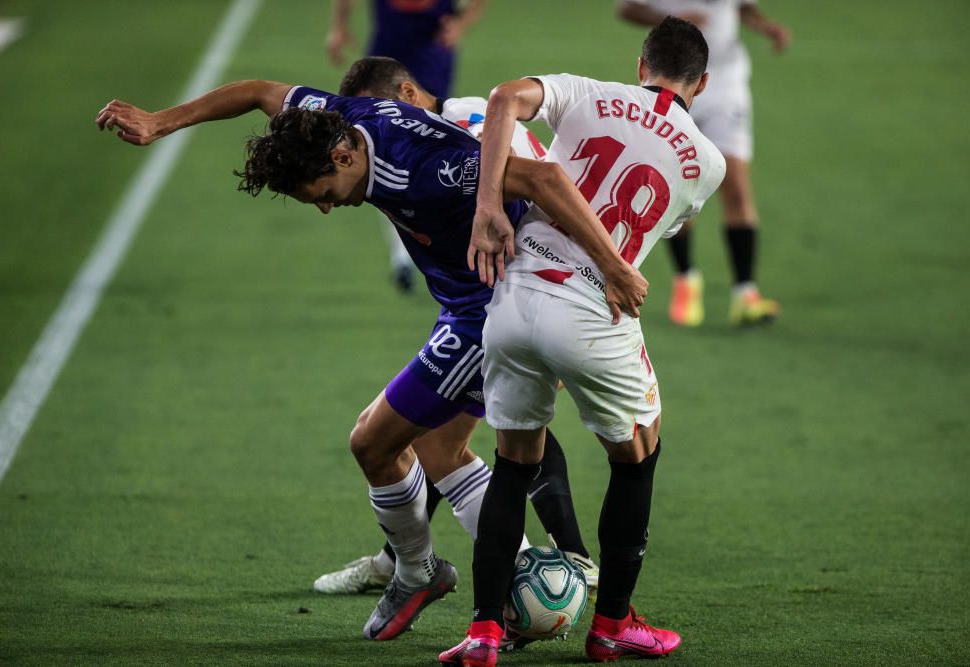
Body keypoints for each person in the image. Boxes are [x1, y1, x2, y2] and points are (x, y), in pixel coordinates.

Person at [94, 79, 647, 641]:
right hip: (464, 300)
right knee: (438, 448)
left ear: (343, 155)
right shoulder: (336, 116)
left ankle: (425, 574)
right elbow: (260, 92)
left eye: (323, 192)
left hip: (492, 309)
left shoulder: (425, 169)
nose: (328, 208)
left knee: (373, 442)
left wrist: (614, 267)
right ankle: (503, 580)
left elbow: (545, 178)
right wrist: (161, 120)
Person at [440, 17, 725, 665]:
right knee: (638, 454)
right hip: (593, 312)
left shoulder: (588, 91)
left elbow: (504, 98)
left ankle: (485, 630)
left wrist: (489, 204)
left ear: (640, 62)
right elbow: (653, 227)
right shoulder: (705, 163)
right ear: (700, 83)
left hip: (512, 298)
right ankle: (613, 624)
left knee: (514, 461)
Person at [313, 56, 595, 604]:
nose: (378, 129)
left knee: (486, 425)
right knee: (442, 435)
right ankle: (403, 560)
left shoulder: (459, 128)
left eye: (383, 112)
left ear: (409, 93)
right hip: (510, 288)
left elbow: (535, 182)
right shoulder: (422, 139)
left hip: (524, 291)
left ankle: (568, 562)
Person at [617, 0, 789, 327]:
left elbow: (742, 7)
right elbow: (626, 9)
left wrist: (764, 25)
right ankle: (686, 279)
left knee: (736, 183)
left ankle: (745, 293)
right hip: (674, 81)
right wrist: (667, 17)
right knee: (677, 181)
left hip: (725, 85)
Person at [327, 0, 488, 293]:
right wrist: (339, 25)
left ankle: (436, 245)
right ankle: (403, 254)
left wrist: (461, 23)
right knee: (379, 152)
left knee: (432, 146)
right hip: (386, 57)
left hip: (431, 54)